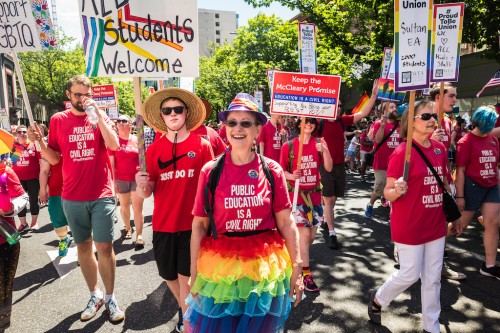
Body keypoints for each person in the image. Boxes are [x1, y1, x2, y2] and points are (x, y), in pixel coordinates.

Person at [185, 93, 303, 333]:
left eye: (245, 123)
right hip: (220, 269)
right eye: (232, 123)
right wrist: (194, 272)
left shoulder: (272, 170)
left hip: (263, 269)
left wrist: (298, 270)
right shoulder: (211, 170)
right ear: (225, 128)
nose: (238, 128)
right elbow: (199, 224)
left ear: (258, 130)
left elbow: (287, 223)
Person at [30, 74, 124, 323]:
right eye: (78, 94)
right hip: (71, 194)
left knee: (104, 246)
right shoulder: (58, 120)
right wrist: (39, 143)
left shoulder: (99, 115)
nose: (83, 99)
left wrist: (99, 118)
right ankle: (95, 294)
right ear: (68, 96)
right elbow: (54, 159)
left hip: (101, 192)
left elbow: (113, 146)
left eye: (87, 94)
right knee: (83, 246)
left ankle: (111, 297)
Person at [368, 101, 461, 333]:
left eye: (434, 115)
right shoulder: (401, 153)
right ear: (411, 121)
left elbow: (445, 184)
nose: (432, 119)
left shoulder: (439, 149)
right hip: (409, 225)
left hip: (436, 224)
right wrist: (396, 191)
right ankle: (378, 299)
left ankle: (432, 326)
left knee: (433, 279)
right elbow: (388, 191)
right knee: (409, 274)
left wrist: (455, 213)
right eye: (426, 116)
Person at [135, 88, 214, 332]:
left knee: (186, 278)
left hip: (193, 227)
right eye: (167, 110)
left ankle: (189, 321)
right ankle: (188, 311)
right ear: (162, 115)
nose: (172, 114)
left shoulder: (202, 145)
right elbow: (147, 193)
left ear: (186, 113)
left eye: (177, 109)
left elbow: (210, 191)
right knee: (169, 275)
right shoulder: (154, 150)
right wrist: (141, 186)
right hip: (162, 225)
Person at [318, 80, 379, 249]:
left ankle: (325, 217)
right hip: (324, 166)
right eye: (334, 106)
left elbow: (363, 112)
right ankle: (332, 233)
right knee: (329, 200)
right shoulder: (319, 122)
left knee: (333, 198)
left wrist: (373, 96)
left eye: (339, 106)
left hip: (339, 166)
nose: (337, 108)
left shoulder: (342, 121)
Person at [280, 117, 332, 292]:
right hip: (297, 197)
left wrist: (324, 150)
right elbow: (281, 170)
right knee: (304, 235)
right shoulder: (290, 146)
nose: (309, 124)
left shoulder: (320, 143)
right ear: (299, 124)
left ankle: (295, 260)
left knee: (310, 238)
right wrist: (291, 175)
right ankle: (306, 275)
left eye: (312, 122)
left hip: (316, 196)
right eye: (306, 121)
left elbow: (329, 167)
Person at [455, 106, 500, 280]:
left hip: (491, 186)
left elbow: (495, 165)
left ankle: (489, 266)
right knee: (459, 227)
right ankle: (431, 247)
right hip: (472, 186)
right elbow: (460, 171)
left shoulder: (493, 140)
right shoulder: (466, 142)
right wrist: (460, 196)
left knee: (493, 224)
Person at [108, 115, 145, 248]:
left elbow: (143, 160)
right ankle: (128, 228)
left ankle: (139, 235)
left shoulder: (137, 140)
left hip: (136, 178)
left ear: (130, 124)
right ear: (116, 125)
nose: (121, 123)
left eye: (124, 121)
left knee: (137, 207)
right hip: (121, 179)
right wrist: (113, 182)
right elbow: (111, 164)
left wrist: (144, 175)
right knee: (124, 206)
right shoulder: (113, 142)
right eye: (119, 121)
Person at [0, 163, 28, 331]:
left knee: (3, 290)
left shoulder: (4, 172)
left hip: (5, 243)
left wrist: (9, 209)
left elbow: (23, 197)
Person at [365, 102, 401, 218]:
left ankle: (393, 210)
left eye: (395, 107)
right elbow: (378, 140)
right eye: (392, 107)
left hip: (396, 164)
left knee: (396, 188)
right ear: (384, 112)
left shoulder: (400, 125)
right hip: (381, 163)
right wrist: (382, 126)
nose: (395, 109)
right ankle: (370, 204)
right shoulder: (378, 124)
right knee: (380, 187)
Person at [11, 125, 41, 233]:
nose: (22, 134)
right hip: (18, 179)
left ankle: (34, 222)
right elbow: (13, 162)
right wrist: (19, 149)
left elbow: (41, 160)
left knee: (33, 200)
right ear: (16, 134)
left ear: (27, 133)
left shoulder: (33, 145)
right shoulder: (14, 146)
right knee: (20, 201)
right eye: (19, 132)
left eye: (24, 132)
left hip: (33, 177)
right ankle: (23, 224)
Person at [39, 156, 71, 257]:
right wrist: (42, 189)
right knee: (57, 220)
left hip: (77, 189)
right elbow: (44, 171)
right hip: (56, 191)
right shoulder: (50, 148)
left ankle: (84, 252)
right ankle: (63, 239)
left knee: (82, 222)